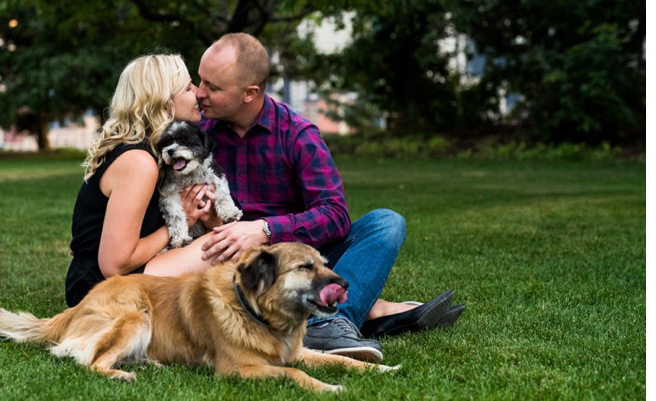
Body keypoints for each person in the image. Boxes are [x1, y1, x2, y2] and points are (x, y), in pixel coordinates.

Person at [195, 33, 465, 362]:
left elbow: (335, 214)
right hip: (231, 268)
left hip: (299, 264)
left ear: (250, 93)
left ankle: (331, 323)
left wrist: (265, 229)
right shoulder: (196, 134)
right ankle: (374, 313)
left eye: (213, 87)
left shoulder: (296, 135)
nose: (199, 93)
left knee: (387, 222)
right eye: (200, 81)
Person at [65, 54, 221, 308]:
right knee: (222, 248)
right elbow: (114, 265)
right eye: (188, 87)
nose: (198, 93)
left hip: (117, 279)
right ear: (165, 105)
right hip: (100, 291)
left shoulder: (155, 153)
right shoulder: (139, 161)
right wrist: (184, 219)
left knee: (229, 240)